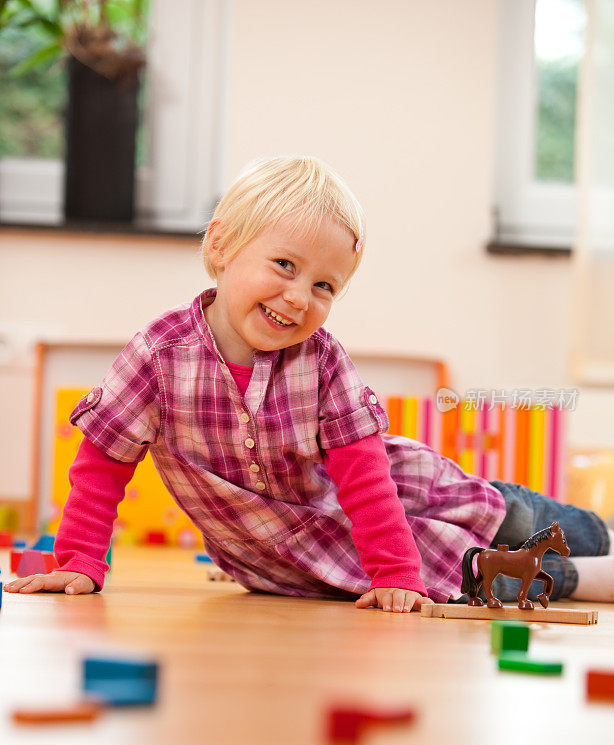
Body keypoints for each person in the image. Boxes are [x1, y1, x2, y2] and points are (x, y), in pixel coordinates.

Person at [6, 156, 613, 611]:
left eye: (325, 286)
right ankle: (587, 579)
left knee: (504, 514)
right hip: (289, 552)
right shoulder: (158, 357)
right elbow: (102, 464)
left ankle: (599, 534)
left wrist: (394, 570)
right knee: (466, 576)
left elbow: (364, 473)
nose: (299, 298)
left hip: (388, 496)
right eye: (285, 266)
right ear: (221, 244)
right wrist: (80, 560)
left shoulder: (320, 360)